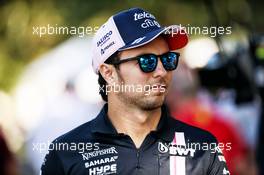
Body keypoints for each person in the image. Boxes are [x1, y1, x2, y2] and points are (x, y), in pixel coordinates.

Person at [41, 7, 229, 175]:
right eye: (147, 62)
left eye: (168, 59)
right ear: (109, 73)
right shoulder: (66, 153)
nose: (162, 71)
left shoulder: (202, 147)